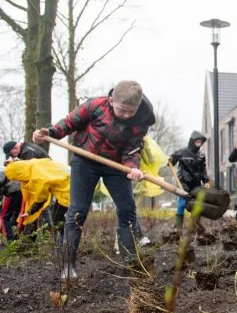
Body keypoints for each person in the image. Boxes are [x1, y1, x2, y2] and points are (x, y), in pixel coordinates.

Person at [32, 80, 156, 279]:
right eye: (122, 110)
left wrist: (133, 168)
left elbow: (132, 148)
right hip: (85, 160)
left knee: (127, 209)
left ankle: (131, 262)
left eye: (130, 112)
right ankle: (67, 267)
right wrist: (50, 133)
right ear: (110, 100)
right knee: (78, 211)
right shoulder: (95, 105)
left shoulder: (142, 119)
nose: (126, 115)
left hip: (116, 166)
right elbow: (69, 123)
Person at [3, 158, 70, 241]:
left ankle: (66, 246)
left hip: (68, 189)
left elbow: (41, 199)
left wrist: (30, 211)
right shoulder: (31, 164)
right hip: (70, 178)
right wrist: (11, 163)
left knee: (58, 220)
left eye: (17, 178)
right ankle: (64, 245)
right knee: (59, 219)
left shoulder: (36, 178)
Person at [169, 131, 209, 228]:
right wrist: (170, 159)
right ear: (192, 141)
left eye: (200, 142)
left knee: (197, 205)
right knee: (182, 204)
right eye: (197, 141)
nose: (199, 143)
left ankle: (195, 226)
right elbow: (171, 160)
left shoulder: (201, 156)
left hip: (196, 183)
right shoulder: (182, 152)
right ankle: (178, 228)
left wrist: (206, 181)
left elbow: (203, 169)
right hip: (184, 182)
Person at [0, 169, 22, 242]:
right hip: (20, 191)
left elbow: (1, 181)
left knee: (4, 217)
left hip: (12, 192)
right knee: (18, 215)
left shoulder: (2, 173)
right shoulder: (9, 170)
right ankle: (18, 237)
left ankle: (9, 241)